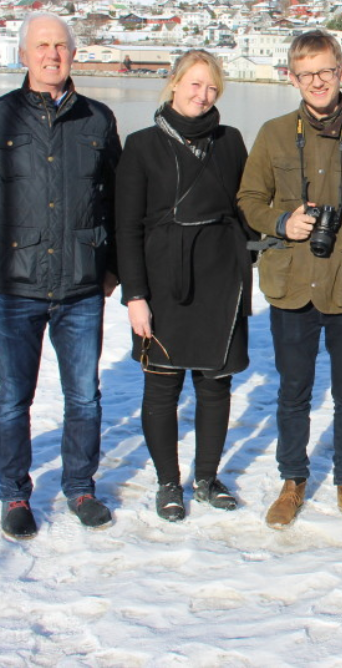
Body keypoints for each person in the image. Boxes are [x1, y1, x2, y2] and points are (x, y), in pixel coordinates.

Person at [237, 30, 342, 529]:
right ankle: (292, 481)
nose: (317, 82)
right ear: (293, 77)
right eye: (306, 73)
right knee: (293, 391)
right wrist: (281, 222)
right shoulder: (272, 134)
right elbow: (249, 198)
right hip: (291, 284)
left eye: (325, 71)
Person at [0, 12, 122, 539]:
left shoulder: (97, 120)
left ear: (73, 54)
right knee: (13, 397)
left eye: (61, 46)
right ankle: (14, 496)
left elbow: (115, 200)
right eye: (42, 46)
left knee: (85, 396)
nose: (52, 55)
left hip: (80, 285)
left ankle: (79, 486)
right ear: (24, 55)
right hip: (14, 283)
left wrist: (112, 266)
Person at [116, 50, 254, 522]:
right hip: (162, 281)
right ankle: (168, 483)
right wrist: (135, 296)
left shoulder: (231, 141)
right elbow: (127, 228)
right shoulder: (141, 145)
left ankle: (208, 478)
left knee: (216, 386)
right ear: (174, 84)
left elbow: (246, 208)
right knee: (162, 388)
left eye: (212, 87)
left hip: (220, 276)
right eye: (195, 84)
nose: (203, 94)